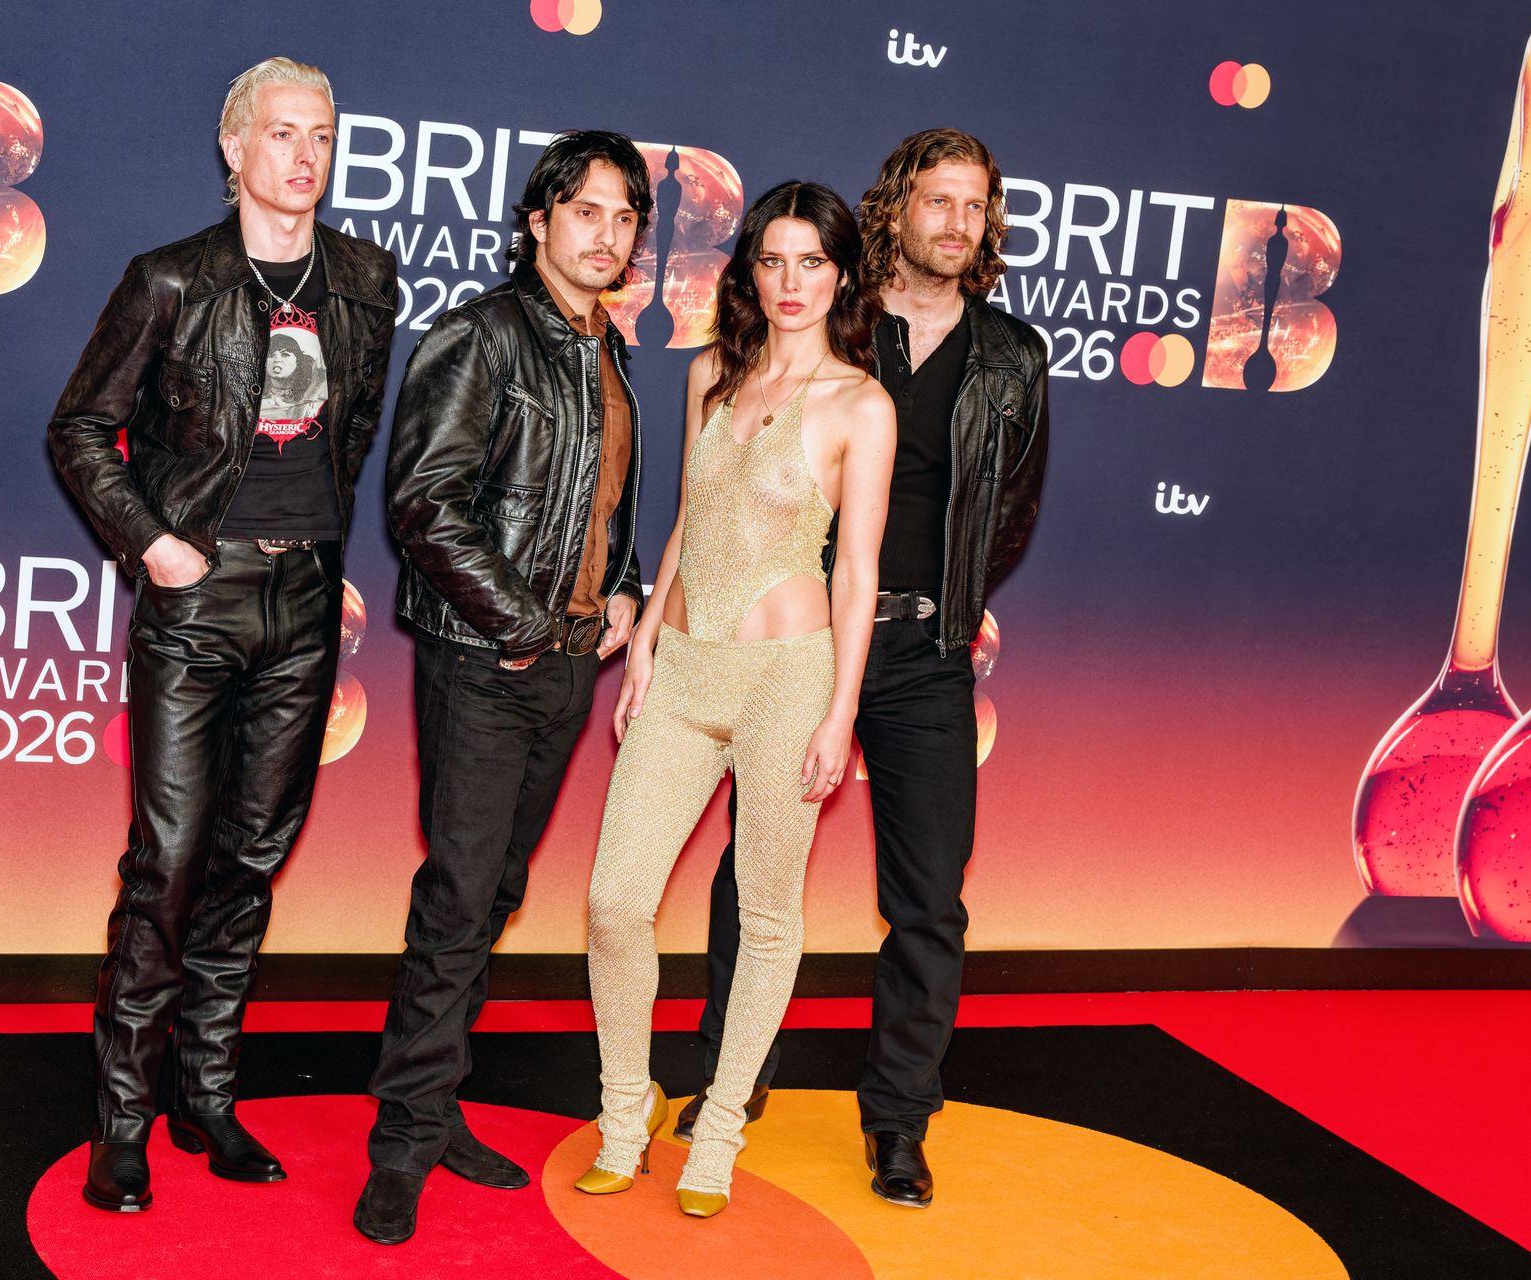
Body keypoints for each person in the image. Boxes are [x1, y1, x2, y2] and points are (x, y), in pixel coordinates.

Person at [46, 56, 396, 1212]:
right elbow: (81, 427)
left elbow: (349, 440)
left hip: (306, 603)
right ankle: (122, 1118)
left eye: (323, 135)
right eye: (282, 132)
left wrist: (314, 553)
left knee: (252, 857)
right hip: (199, 600)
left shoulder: (365, 282)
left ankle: (205, 1093)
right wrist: (155, 543)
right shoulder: (172, 279)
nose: (306, 155)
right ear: (234, 148)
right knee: (169, 860)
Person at [680, 129, 1050, 1209]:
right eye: (937, 200)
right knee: (755, 873)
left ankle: (898, 1120)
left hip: (925, 655)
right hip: (799, 645)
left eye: (974, 205)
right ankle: (731, 1080)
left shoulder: (1012, 357)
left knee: (929, 899)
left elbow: (1010, 512)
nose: (956, 222)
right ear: (895, 208)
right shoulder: (833, 321)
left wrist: (943, 600)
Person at [356, 130, 651, 1245]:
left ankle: (434, 1110)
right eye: (585, 210)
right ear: (538, 221)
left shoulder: (610, 352)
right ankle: (400, 1144)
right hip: (486, 660)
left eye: (624, 216)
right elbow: (423, 504)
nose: (606, 234)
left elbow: (605, 507)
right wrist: (523, 625)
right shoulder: (481, 335)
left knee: (494, 895)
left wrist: (623, 591)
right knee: (458, 895)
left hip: (567, 666)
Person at [579, 181, 896, 1218]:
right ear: (749, 271)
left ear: (841, 274)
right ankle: (625, 1111)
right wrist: (645, 648)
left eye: (813, 261)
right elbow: (689, 515)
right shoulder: (711, 373)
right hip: (683, 669)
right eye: (773, 260)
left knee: (766, 915)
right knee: (615, 901)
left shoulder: (861, 405)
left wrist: (840, 710)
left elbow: (857, 572)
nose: (791, 282)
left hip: (787, 681)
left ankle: (717, 1127)